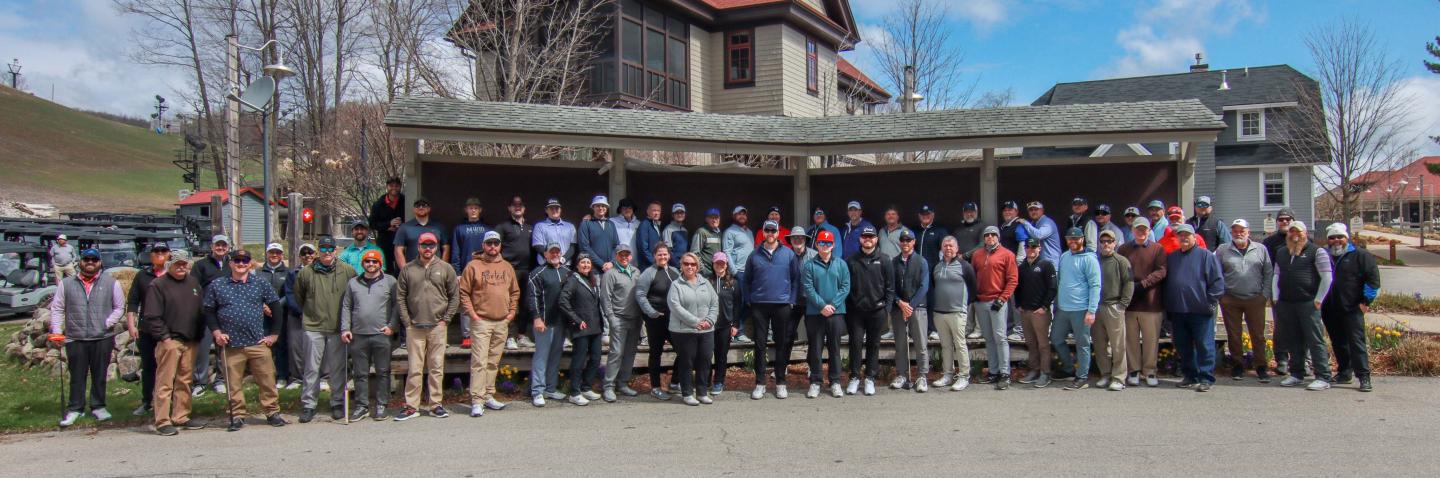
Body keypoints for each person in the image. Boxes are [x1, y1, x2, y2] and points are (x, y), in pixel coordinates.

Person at [202, 249, 288, 431]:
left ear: (250, 263)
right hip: (231, 344)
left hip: (258, 342)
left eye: (245, 260)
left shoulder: (260, 284)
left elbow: (276, 307)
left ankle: (272, 412)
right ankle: (237, 416)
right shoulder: (217, 285)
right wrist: (217, 332)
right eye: (237, 260)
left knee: (267, 381)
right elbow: (208, 310)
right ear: (230, 263)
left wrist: (274, 334)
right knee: (233, 383)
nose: (241, 264)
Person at [49, 248, 124, 427]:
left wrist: (108, 323)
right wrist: (57, 331)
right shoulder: (66, 283)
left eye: (94, 260)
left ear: (99, 263)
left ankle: (98, 406)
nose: (90, 262)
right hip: (76, 336)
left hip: (102, 336)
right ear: (80, 262)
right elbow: (57, 308)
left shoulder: (111, 282)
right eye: (86, 259)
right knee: (77, 375)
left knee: (99, 374)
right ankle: (76, 408)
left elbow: (119, 307)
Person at [395, 232, 460, 420]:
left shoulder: (446, 268)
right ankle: (411, 406)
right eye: (424, 245)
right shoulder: (408, 269)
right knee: (415, 368)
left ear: (436, 247)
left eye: (431, 245)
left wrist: (446, 319)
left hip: (437, 326)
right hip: (415, 326)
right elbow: (400, 297)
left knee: (436, 367)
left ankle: (435, 405)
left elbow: (454, 296)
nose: (428, 249)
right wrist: (407, 321)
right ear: (418, 247)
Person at [294, 235, 358, 423]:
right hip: (313, 326)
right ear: (317, 252)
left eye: (330, 249)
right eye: (323, 249)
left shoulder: (347, 271)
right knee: (311, 368)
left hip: (338, 328)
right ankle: (308, 404)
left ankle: (337, 402)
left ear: (335, 251)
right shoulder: (306, 272)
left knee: (337, 368)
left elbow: (353, 297)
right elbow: (300, 296)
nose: (327, 252)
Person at [142, 250, 205, 435]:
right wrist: (165, 338)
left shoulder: (193, 283)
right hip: (170, 340)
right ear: (169, 264)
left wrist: (199, 334)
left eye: (184, 264)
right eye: (177, 264)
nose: (181, 267)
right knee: (165, 382)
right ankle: (162, 420)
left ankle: (181, 416)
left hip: (191, 340)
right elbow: (151, 316)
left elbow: (200, 309)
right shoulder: (158, 285)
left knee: (184, 380)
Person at [457, 231, 519, 416]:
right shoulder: (473, 266)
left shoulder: (507, 267)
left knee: (493, 362)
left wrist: (511, 313)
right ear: (483, 245)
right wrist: (473, 315)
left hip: (502, 321)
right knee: (479, 362)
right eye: (489, 243)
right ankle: (477, 399)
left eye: (496, 243)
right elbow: (464, 292)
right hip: (481, 321)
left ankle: (489, 395)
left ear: (500, 246)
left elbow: (514, 291)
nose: (493, 247)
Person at [742, 220, 802, 400]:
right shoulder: (754, 255)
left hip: (782, 305)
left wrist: (791, 300)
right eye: (767, 230)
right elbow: (746, 281)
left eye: (773, 230)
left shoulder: (789, 254)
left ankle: (781, 383)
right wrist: (749, 299)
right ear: (763, 232)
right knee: (760, 344)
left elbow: (796, 279)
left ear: (778, 233)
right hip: (760, 305)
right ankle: (760, 383)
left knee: (781, 344)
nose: (770, 233)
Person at [1272, 221, 1334, 391]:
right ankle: (1296, 373)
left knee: (1315, 340)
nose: (1294, 235)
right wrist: (1276, 297)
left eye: (1298, 231)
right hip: (1287, 302)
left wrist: (1319, 299)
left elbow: (1327, 277)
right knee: (1293, 340)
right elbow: (1276, 275)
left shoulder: (1317, 251)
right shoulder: (1282, 252)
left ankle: (1323, 376)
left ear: (1305, 233)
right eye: (1291, 232)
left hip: (1308, 302)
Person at [1165, 223, 1226, 392]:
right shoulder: (1172, 257)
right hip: (1178, 310)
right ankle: (1190, 376)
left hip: (1200, 310)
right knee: (1183, 345)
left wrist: (1210, 302)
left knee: (1204, 345)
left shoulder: (1206, 256)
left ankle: (1206, 377)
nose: (1184, 237)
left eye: (1187, 235)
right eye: (1181, 235)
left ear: (1194, 237)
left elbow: (1218, 282)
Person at [1320, 223, 1381, 392]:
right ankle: (1345, 372)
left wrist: (1366, 301)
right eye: (1332, 238)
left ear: (1347, 238)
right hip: (1329, 307)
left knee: (1356, 343)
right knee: (1338, 342)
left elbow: (1373, 280)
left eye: (1340, 237)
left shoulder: (1360, 255)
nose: (1336, 240)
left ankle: (1364, 376)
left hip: (1352, 307)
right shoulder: (1324, 255)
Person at [340, 250, 399, 421]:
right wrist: (345, 328)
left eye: (374, 262)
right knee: (360, 373)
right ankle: (362, 406)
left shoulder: (390, 281)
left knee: (383, 372)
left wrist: (392, 326)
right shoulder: (353, 283)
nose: (371, 265)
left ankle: (382, 404)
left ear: (380, 264)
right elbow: (346, 306)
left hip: (381, 334)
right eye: (368, 262)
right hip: (358, 334)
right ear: (363, 264)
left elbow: (397, 306)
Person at [1216, 218, 1274, 382]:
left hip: (1255, 298)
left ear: (1248, 232)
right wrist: (1221, 295)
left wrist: (1265, 294)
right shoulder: (1223, 249)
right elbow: (1216, 273)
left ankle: (1261, 366)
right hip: (1230, 299)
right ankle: (1237, 365)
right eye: (1235, 230)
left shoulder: (1261, 249)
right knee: (1234, 334)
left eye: (1242, 230)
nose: (1238, 233)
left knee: (1258, 334)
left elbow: (1268, 273)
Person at [664, 252, 719, 406]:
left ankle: (702, 392)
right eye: (686, 264)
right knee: (686, 362)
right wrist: (696, 322)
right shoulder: (676, 285)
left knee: (705, 360)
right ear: (681, 266)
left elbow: (715, 303)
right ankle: (687, 393)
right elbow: (675, 307)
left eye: (693, 264)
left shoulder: (705, 283)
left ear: (697, 267)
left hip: (707, 330)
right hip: (683, 331)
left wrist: (709, 320)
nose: (689, 266)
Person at [1117, 218, 1166, 387]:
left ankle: (1150, 371)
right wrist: (1129, 288)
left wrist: (1142, 284)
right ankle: (1134, 370)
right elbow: (1120, 272)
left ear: (1149, 230)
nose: (1141, 232)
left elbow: (1161, 271)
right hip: (1129, 303)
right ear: (1132, 230)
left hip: (1151, 303)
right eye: (1138, 228)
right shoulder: (1123, 249)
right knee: (1130, 339)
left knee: (1151, 340)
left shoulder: (1157, 249)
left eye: (1144, 229)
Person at [845, 225, 893, 396]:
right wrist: (850, 306)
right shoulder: (851, 260)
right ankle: (854, 377)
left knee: (874, 345)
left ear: (876, 239)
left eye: (871, 237)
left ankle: (870, 378)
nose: (867, 239)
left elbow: (890, 287)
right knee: (855, 345)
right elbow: (846, 286)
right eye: (865, 236)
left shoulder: (885, 259)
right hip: (856, 312)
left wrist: (886, 308)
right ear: (860, 239)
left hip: (877, 311)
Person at [800, 230, 849, 398]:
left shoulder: (841, 264)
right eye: (822, 243)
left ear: (833, 245)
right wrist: (822, 305)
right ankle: (816, 381)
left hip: (836, 313)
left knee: (835, 348)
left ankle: (835, 381)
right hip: (815, 313)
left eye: (828, 243)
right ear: (816, 245)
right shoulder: (809, 265)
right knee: (815, 348)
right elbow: (808, 288)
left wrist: (833, 305)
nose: (825, 246)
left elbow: (845, 286)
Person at [125, 242, 171, 416]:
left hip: (169, 329)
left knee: (169, 367)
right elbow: (133, 301)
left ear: (169, 254)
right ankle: (147, 401)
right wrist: (131, 324)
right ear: (151, 255)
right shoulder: (142, 276)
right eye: (156, 251)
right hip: (147, 329)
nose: (160, 253)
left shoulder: (174, 274)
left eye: (163, 251)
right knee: (149, 366)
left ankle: (169, 402)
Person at [970, 226, 1019, 389]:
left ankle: (1005, 373)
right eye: (987, 235)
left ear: (998, 237)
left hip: (997, 301)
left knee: (1000, 337)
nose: (990, 237)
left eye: (993, 235)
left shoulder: (1007, 254)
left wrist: (1003, 298)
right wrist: (973, 295)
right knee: (988, 338)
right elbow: (972, 276)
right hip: (980, 301)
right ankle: (993, 371)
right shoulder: (977, 254)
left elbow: (1012, 280)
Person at [1051, 227, 1100, 391]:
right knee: (1056, 339)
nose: (1073, 241)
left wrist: (1091, 310)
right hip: (1063, 308)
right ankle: (1069, 369)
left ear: (1082, 239)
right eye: (1070, 238)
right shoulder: (1064, 256)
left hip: (1081, 309)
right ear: (1066, 240)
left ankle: (1082, 377)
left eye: (1076, 238)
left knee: (1082, 344)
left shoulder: (1090, 259)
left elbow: (1095, 285)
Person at [527, 243, 573, 407]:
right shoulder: (537, 273)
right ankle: (537, 391)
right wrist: (537, 318)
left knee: (555, 356)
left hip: (561, 323)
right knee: (541, 357)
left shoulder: (568, 273)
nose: (554, 254)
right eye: (551, 252)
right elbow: (533, 298)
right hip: (544, 323)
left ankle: (550, 388)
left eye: (557, 252)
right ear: (545, 254)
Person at [931, 236, 976, 391]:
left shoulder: (965, 266)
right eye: (945, 246)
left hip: (957, 312)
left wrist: (963, 306)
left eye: (951, 246)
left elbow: (973, 289)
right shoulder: (937, 267)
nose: (948, 248)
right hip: (939, 313)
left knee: (960, 344)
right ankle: (948, 374)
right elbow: (934, 285)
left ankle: (964, 376)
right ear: (941, 249)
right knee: (945, 346)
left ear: (957, 249)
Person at [559, 254, 605, 406]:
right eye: (583, 262)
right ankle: (574, 392)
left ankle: (586, 387)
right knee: (578, 360)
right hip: (581, 327)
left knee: (596, 358)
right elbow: (563, 301)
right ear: (577, 265)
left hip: (595, 326)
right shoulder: (573, 279)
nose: (586, 265)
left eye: (588, 262)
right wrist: (577, 319)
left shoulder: (592, 280)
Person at [1262, 208, 1302, 376]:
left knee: (1301, 327)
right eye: (1282, 219)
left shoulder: (1304, 240)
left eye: (1288, 219)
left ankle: (1301, 361)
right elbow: (1265, 268)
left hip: (1301, 292)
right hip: (1278, 291)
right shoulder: (1269, 242)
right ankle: (1282, 360)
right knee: (1281, 326)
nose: (1285, 222)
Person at [190, 235, 232, 397]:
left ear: (228, 247)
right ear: (212, 247)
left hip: (225, 313)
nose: (221, 248)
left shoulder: (232, 264)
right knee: (203, 348)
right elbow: (194, 288)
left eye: (224, 245)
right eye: (217, 245)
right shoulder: (201, 265)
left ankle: (220, 380)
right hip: (206, 313)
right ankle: (200, 382)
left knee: (223, 348)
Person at [600, 244, 643, 402]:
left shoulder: (637, 272)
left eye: (627, 255)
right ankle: (609, 386)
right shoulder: (610, 274)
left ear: (631, 256)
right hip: (618, 318)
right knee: (616, 352)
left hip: (635, 318)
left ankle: (623, 383)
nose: (624, 257)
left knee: (630, 352)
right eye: (621, 255)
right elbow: (605, 297)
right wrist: (611, 317)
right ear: (616, 256)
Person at [1093, 230, 1134, 391]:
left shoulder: (1122, 261)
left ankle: (1119, 377)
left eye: (1109, 241)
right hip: (1096, 307)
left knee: (1117, 344)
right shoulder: (1094, 260)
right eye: (1102, 241)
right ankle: (1105, 373)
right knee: (1099, 344)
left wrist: (1123, 304)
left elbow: (1129, 283)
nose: (1106, 244)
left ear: (1115, 243)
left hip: (1114, 306)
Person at [890, 229, 930, 392]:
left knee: (921, 343)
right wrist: (900, 303)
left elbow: (924, 286)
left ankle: (922, 376)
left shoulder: (921, 261)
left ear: (914, 242)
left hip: (917, 308)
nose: (905, 243)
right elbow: (889, 287)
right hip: (899, 308)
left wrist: (910, 306)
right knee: (900, 343)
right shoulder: (893, 262)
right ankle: (902, 374)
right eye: (903, 240)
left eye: (909, 240)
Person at [1014, 238, 1057, 388]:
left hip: (1040, 312)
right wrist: (1018, 304)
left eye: (1034, 247)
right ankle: (1034, 370)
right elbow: (1017, 288)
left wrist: (1044, 307)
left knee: (1043, 344)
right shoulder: (1022, 267)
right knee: (1031, 343)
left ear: (1039, 248)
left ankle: (1045, 373)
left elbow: (1052, 288)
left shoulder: (1046, 265)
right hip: (1025, 311)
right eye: (1028, 247)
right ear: (1025, 248)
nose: (1031, 249)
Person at [495, 196, 536, 350]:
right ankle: (509, 336)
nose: (517, 207)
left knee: (525, 304)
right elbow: (495, 246)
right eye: (514, 205)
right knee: (508, 304)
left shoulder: (531, 227)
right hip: (509, 270)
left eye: (520, 205)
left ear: (524, 208)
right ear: (509, 208)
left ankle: (522, 335)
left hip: (527, 270)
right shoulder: (503, 226)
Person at [253, 243, 293, 393]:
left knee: (281, 344)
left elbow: (289, 293)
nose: (274, 255)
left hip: (281, 313)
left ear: (282, 255)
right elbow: (253, 291)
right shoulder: (257, 272)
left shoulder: (288, 272)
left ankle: (282, 375)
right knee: (263, 345)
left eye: (277, 252)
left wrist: (276, 306)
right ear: (267, 254)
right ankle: (265, 376)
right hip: (262, 313)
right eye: (271, 252)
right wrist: (263, 305)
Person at [278, 243, 315, 389]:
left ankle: (322, 377)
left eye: (310, 252)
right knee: (296, 346)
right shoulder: (292, 274)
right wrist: (300, 311)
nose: (307, 255)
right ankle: (297, 378)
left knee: (318, 347)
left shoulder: (321, 272)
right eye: (304, 253)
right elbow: (289, 294)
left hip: (317, 315)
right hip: (296, 315)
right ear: (300, 256)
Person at [708, 252, 742, 396]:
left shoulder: (733, 283)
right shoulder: (706, 281)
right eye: (717, 263)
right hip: (708, 325)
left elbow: (738, 305)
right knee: (706, 355)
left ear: (726, 265)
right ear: (713, 264)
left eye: (722, 263)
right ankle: (704, 380)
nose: (720, 266)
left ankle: (718, 381)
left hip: (725, 325)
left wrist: (735, 325)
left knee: (721, 355)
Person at [721, 205, 755, 343]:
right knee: (740, 303)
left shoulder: (749, 232)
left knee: (749, 303)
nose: (742, 216)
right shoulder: (729, 232)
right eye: (739, 214)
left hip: (751, 273)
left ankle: (736, 329)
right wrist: (734, 271)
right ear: (734, 216)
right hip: (739, 272)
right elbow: (726, 251)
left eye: (744, 214)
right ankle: (738, 332)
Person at [394, 197, 449, 269]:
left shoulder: (439, 227)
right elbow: (398, 250)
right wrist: (405, 271)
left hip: (435, 270)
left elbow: (446, 248)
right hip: (413, 270)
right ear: (414, 209)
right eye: (418, 205)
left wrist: (443, 269)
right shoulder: (404, 227)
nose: (421, 207)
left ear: (429, 208)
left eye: (424, 205)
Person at [369, 177, 406, 273]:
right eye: (391, 186)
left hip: (402, 241)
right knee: (385, 268)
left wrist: (401, 225)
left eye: (396, 186)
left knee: (402, 268)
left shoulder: (406, 201)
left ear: (400, 187)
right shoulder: (378, 204)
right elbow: (372, 224)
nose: (394, 188)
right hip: (385, 240)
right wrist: (388, 225)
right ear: (387, 187)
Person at [578, 195, 620, 272]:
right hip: (594, 269)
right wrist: (602, 264)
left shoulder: (611, 224)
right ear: (593, 207)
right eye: (598, 206)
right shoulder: (586, 224)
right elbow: (584, 247)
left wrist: (612, 262)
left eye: (603, 206)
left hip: (611, 268)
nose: (601, 208)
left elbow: (616, 246)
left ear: (607, 208)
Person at [532, 197, 577, 267]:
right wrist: (551, 260)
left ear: (560, 209)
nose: (554, 210)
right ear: (546, 210)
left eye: (557, 208)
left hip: (565, 265)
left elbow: (573, 247)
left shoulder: (570, 226)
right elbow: (538, 246)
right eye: (551, 208)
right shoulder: (539, 226)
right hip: (546, 265)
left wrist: (562, 260)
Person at [452, 199, 491, 276]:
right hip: (465, 269)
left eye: (476, 208)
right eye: (470, 208)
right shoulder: (459, 229)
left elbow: (493, 251)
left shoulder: (488, 229)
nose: (473, 210)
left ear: (480, 210)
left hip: (485, 270)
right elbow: (455, 252)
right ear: (466, 210)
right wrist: (457, 273)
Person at [1020, 201, 1061, 265]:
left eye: (1036, 209)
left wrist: (1025, 223)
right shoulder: (1033, 223)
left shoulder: (1047, 222)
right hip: (1040, 263)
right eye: (1031, 210)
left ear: (1042, 210)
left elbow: (1039, 235)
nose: (1033, 212)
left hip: (1051, 263)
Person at [692, 208, 725, 277]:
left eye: (716, 217)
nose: (714, 220)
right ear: (706, 219)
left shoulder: (720, 233)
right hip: (705, 274)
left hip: (717, 272)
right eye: (711, 218)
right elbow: (694, 253)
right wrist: (703, 270)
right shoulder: (701, 232)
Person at [636, 201, 667, 271]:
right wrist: (654, 262)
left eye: (658, 211)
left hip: (656, 265)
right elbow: (643, 248)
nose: (656, 213)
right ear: (648, 212)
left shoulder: (656, 225)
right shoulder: (644, 225)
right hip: (647, 267)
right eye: (654, 210)